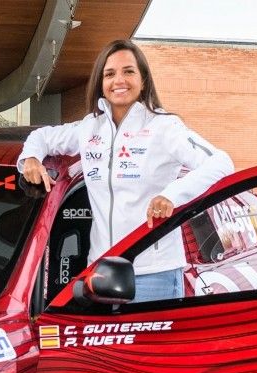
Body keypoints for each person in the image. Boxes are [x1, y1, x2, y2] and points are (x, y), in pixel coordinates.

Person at [18, 39, 234, 302]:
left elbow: (221, 162)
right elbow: (42, 136)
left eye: (128, 71)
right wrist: (30, 158)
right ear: (101, 82)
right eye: (110, 74)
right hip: (101, 273)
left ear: (143, 79)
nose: (119, 80)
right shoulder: (90, 129)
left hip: (153, 275)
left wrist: (171, 196)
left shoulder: (164, 127)